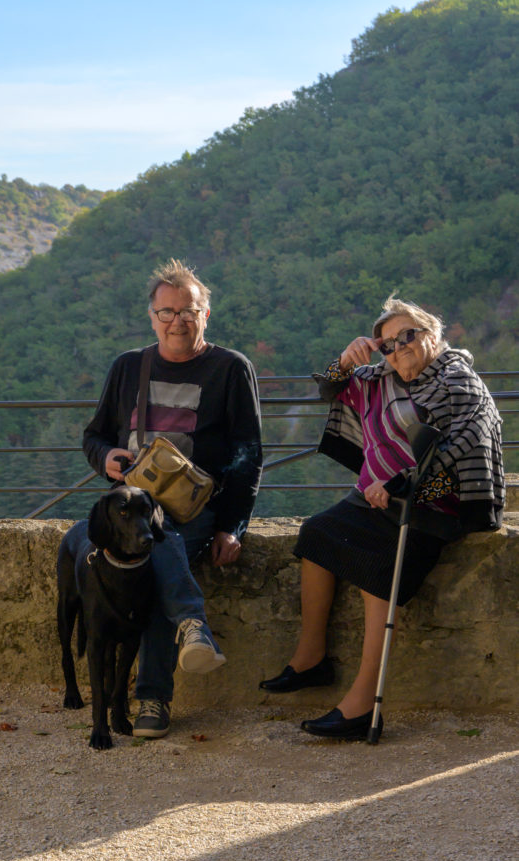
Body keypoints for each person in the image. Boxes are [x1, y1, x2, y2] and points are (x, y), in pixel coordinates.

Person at [259, 296, 504, 740]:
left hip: (428, 507)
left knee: (376, 569)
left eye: (407, 335)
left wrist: (400, 484)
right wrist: (345, 360)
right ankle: (311, 657)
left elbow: (467, 437)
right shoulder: (377, 379)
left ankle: (361, 707)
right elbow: (329, 391)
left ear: (432, 334)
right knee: (315, 534)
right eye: (388, 343)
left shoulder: (458, 380)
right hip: (369, 502)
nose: (399, 348)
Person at [83, 259, 263, 739]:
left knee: (158, 553)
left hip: (195, 509)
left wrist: (233, 527)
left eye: (188, 311)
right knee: (155, 551)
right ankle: (190, 628)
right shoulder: (128, 366)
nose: (177, 320)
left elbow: (248, 456)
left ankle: (152, 700)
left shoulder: (230, 368)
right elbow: (95, 436)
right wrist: (106, 459)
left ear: (206, 315)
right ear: (152, 316)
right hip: (133, 509)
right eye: (167, 312)